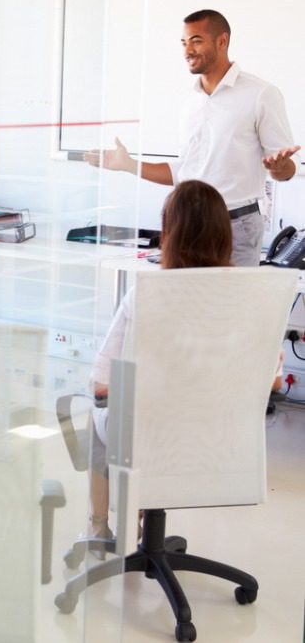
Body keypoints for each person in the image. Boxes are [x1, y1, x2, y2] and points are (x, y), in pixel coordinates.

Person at [84, 9, 300, 267]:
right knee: (187, 304)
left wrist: (279, 168)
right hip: (188, 224)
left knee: (231, 306)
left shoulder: (261, 94)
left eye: (196, 41)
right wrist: (129, 165)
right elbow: (185, 172)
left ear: (222, 41)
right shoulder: (191, 101)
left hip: (236, 226)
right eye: (184, 43)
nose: (187, 51)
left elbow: (287, 168)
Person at [86, 180, 234, 541]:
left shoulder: (145, 294)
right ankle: (134, 516)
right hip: (216, 438)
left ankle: (101, 526)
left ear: (168, 232)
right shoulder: (246, 296)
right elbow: (274, 383)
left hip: (149, 436)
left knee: (99, 415)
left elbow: (102, 383)